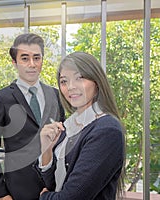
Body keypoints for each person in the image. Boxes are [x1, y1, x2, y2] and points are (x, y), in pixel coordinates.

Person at [0, 33, 65, 200]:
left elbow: (62, 143)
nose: (32, 64)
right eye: (25, 58)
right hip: (15, 192)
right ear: (14, 62)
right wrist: (0, 193)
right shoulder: (1, 99)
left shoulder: (56, 96)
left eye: (37, 58)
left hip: (52, 189)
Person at [37, 52, 125, 200]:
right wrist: (46, 150)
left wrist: (44, 197)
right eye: (64, 81)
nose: (70, 87)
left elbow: (71, 197)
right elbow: (53, 183)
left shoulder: (106, 130)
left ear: (97, 81)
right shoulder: (68, 126)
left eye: (79, 78)